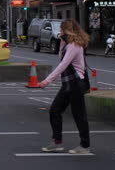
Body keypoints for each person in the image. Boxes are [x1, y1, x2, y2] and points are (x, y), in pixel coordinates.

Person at [39, 19, 90, 154]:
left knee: (79, 115)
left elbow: (63, 64)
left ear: (67, 31)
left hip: (76, 84)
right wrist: (62, 43)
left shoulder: (74, 46)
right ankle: (57, 142)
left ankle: (84, 146)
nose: (60, 32)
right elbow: (61, 58)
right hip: (68, 83)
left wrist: (47, 80)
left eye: (62, 30)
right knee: (55, 111)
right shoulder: (68, 44)